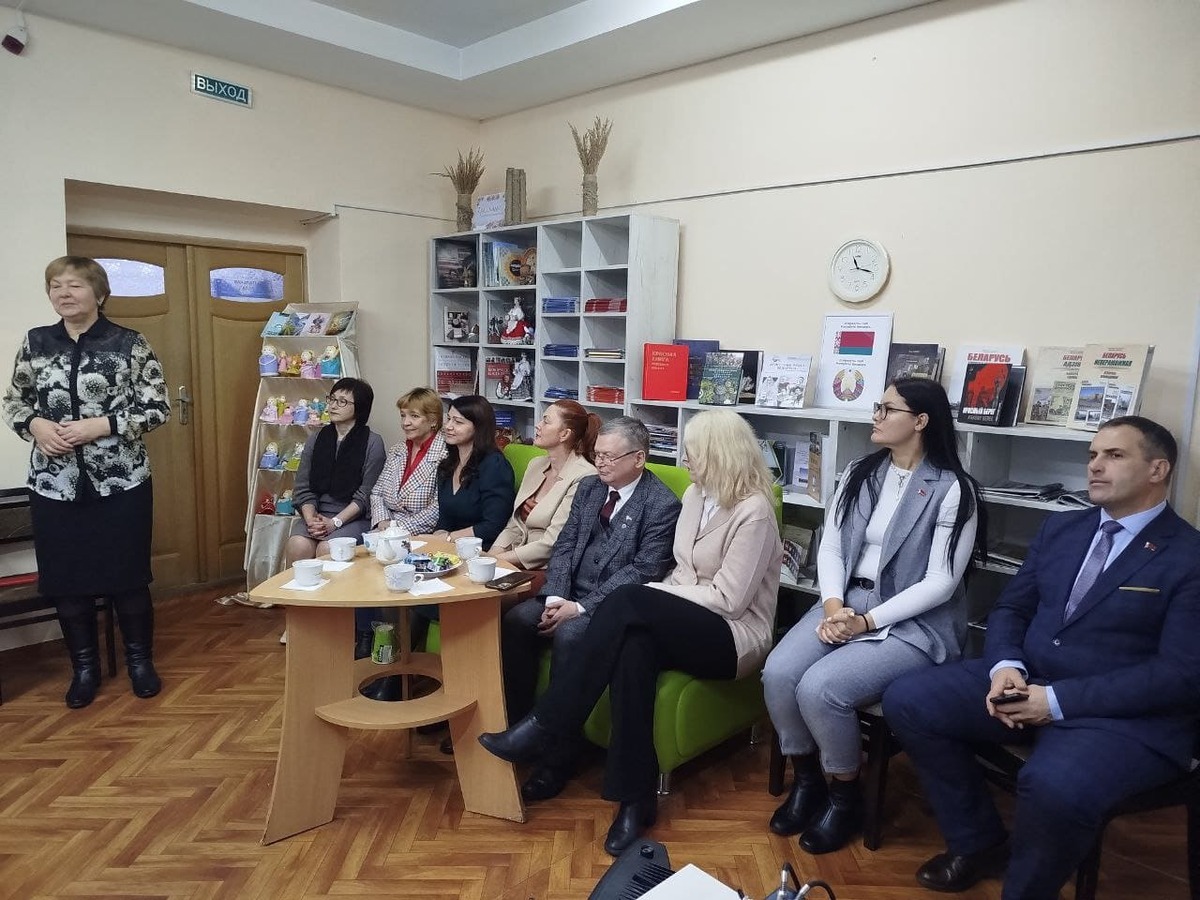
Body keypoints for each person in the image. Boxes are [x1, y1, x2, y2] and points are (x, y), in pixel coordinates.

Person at [883, 416, 1200, 900]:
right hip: (1027, 680)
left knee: (1052, 785)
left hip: (1119, 716)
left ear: (1158, 470)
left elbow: (1179, 675)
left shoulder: (1188, 556)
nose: (1095, 466)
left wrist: (1054, 702)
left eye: (1114, 456)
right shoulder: (1062, 528)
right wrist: (1005, 666)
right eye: (1093, 455)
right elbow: (1012, 608)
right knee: (910, 699)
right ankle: (978, 841)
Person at [480, 409, 781, 856]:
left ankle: (548, 723)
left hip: (732, 635)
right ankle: (635, 800)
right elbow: (682, 571)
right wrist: (661, 597)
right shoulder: (697, 494)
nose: (684, 460)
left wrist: (656, 595)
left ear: (720, 454)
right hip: (683, 617)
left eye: (692, 453)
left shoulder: (753, 511)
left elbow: (730, 599)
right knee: (632, 650)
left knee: (629, 600)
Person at [761, 377, 987, 854]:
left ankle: (845, 796)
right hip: (845, 603)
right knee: (779, 672)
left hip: (914, 622)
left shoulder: (954, 489)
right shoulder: (860, 472)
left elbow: (941, 582)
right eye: (877, 408)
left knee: (821, 688)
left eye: (888, 409)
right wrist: (833, 606)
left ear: (920, 421)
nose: (876, 416)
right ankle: (808, 780)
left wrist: (867, 621)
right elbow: (831, 546)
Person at [1, 256, 171, 708]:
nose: (63, 293)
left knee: (128, 578)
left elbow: (158, 407)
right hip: (54, 485)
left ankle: (140, 663)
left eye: (74, 285)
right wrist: (34, 424)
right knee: (66, 581)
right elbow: (14, 402)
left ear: (99, 293)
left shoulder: (129, 343)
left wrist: (104, 424)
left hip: (122, 484)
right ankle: (84, 669)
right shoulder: (36, 342)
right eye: (55, 285)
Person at [499, 416, 680, 801]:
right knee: (516, 620)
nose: (600, 463)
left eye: (610, 457)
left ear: (638, 459)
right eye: (597, 454)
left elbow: (644, 570)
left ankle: (559, 757)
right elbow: (564, 546)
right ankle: (519, 726)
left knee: (571, 635)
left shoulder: (662, 504)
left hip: (611, 607)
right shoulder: (588, 488)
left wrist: (580, 607)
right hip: (566, 593)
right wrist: (555, 598)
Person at [491, 400, 601, 578]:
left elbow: (552, 544)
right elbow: (514, 525)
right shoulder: (535, 465)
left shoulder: (585, 476)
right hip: (514, 558)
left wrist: (496, 562)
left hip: (550, 568)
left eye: (546, 421)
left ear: (564, 434)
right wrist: (491, 556)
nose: (538, 425)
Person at [284, 377, 385, 567]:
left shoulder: (373, 443)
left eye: (342, 401)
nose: (333, 405)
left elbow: (366, 495)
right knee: (297, 545)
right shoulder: (316, 439)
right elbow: (303, 487)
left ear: (360, 407)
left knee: (328, 548)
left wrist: (335, 522)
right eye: (332, 399)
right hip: (317, 514)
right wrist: (311, 520)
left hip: (353, 517)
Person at [426, 394, 515, 548]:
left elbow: (494, 525)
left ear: (478, 427)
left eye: (458, 422)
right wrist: (438, 537)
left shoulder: (495, 465)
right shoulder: (447, 465)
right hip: (451, 548)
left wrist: (449, 538)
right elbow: (445, 518)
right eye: (449, 419)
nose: (448, 426)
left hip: (483, 549)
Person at [368, 387, 447, 534]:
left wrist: (396, 529)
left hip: (423, 534)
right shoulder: (397, 450)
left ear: (433, 420)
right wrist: (382, 522)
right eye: (403, 415)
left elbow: (439, 507)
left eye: (414, 416)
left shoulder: (445, 454)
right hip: (385, 529)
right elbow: (377, 493)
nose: (405, 422)